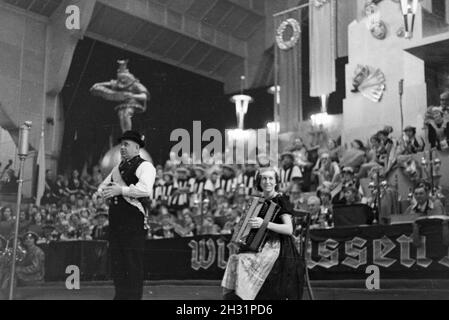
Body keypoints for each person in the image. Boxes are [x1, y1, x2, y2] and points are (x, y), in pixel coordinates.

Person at [221, 167, 304, 300]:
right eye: (264, 178)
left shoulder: (281, 200)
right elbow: (250, 229)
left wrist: (264, 223)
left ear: (276, 182)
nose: (267, 181)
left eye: (271, 178)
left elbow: (289, 229)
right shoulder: (258, 202)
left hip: (279, 247)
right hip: (262, 245)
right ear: (259, 182)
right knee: (234, 259)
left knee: (243, 260)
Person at [94, 130, 156, 300]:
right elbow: (104, 185)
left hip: (133, 222)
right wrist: (99, 193)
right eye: (121, 144)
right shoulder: (118, 167)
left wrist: (121, 190)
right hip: (116, 221)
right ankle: (121, 296)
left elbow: (145, 190)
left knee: (132, 263)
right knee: (118, 263)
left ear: (137, 148)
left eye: (126, 144)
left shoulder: (145, 166)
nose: (122, 148)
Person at [0, 231, 45, 299]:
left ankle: (6, 294)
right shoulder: (26, 251)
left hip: (35, 277)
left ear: (34, 240)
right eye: (26, 239)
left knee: (11, 274)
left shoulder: (38, 251)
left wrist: (19, 269)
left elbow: (36, 268)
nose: (28, 240)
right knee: (8, 271)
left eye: (31, 238)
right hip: (26, 274)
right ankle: (6, 294)